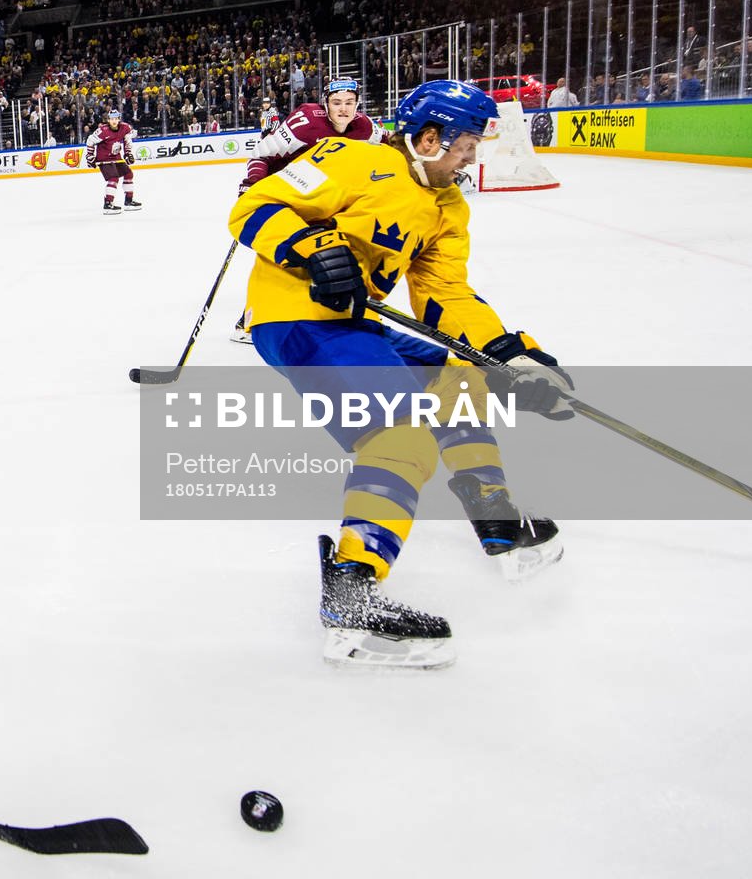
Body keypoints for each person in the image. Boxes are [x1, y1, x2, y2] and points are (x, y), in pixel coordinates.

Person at [226, 79, 569, 669]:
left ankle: (497, 519)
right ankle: (351, 598)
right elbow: (250, 208)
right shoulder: (353, 158)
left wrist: (508, 354)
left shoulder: (449, 207)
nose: (473, 157)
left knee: (462, 378)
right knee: (399, 435)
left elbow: (445, 295)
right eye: (466, 145)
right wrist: (310, 249)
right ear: (429, 138)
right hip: (296, 319)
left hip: (357, 323)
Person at [231, 77, 385, 342]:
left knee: (331, 255)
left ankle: (329, 312)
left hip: (326, 200)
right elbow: (261, 154)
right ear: (326, 103)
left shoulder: (366, 128)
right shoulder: (305, 121)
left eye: (350, 103)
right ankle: (249, 319)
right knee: (284, 258)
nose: (343, 109)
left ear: (358, 104)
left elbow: (391, 149)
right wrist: (252, 185)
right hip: (288, 195)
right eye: (337, 102)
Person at [85, 110, 140, 213]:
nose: (114, 121)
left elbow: (127, 140)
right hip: (104, 158)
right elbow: (90, 141)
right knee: (113, 178)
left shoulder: (125, 127)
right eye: (111, 119)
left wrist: (128, 153)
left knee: (128, 174)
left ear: (119, 119)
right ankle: (108, 204)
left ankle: (129, 201)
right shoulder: (102, 130)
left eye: (116, 118)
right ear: (108, 120)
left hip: (116, 157)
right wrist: (90, 156)